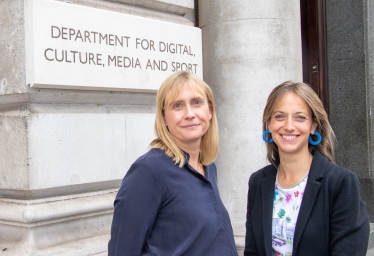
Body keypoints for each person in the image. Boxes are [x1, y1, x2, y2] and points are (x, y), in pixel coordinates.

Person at [108, 71, 237, 256]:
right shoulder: (149, 171)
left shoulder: (208, 167)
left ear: (210, 111)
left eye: (197, 102)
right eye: (177, 105)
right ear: (164, 118)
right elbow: (123, 250)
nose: (190, 114)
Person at [244, 81, 369, 256]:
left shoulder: (340, 183)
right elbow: (252, 250)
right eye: (280, 116)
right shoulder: (258, 182)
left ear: (313, 126)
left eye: (300, 117)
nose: (288, 126)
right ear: (269, 124)